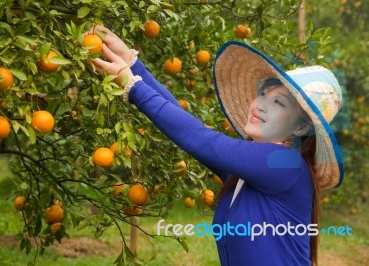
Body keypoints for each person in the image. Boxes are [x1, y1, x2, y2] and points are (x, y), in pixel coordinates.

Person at [86, 26, 344, 266]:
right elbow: (191, 127)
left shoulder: (284, 165)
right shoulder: (246, 172)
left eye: (279, 103)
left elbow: (201, 138)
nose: (261, 105)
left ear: (300, 128)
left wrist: (134, 87)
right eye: (263, 94)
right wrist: (134, 66)